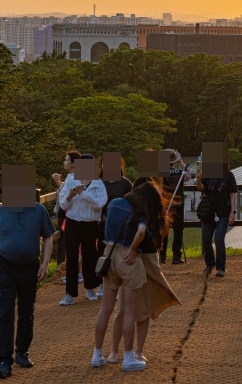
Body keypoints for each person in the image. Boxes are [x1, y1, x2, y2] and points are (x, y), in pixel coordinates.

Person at [0, 190, 57, 379]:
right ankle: (4, 361)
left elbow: (48, 236)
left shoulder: (39, 210)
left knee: (27, 311)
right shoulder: (0, 212)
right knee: (5, 313)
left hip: (29, 266)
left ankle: (22, 352)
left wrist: (45, 263)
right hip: (5, 266)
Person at [108, 177, 181, 364]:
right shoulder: (152, 214)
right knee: (141, 312)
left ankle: (114, 352)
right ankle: (137, 352)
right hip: (142, 260)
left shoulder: (136, 210)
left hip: (130, 260)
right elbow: (158, 238)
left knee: (122, 310)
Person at [92, 181, 149, 371]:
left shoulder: (114, 203)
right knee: (130, 311)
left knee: (105, 309)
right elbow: (141, 231)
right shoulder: (140, 209)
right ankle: (128, 357)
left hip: (108, 255)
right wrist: (133, 248)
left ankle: (97, 354)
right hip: (126, 257)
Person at [58, 154, 107, 305]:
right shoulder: (71, 180)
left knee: (89, 255)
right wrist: (70, 196)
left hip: (90, 224)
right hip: (73, 222)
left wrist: (83, 194)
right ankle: (70, 293)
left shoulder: (98, 184)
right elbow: (62, 204)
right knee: (71, 257)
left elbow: (100, 203)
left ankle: (90, 287)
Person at [197, 157, 238, 277]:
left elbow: (232, 194)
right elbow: (201, 188)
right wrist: (198, 180)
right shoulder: (207, 173)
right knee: (206, 239)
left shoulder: (229, 175)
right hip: (208, 212)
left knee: (219, 240)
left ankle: (221, 268)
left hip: (223, 212)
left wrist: (233, 212)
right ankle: (210, 264)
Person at [161, 150, 191, 264]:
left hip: (164, 204)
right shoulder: (180, 172)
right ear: (175, 161)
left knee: (164, 229)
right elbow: (189, 176)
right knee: (178, 230)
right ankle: (176, 256)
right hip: (178, 205)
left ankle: (162, 255)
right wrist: (181, 161)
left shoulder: (160, 173)